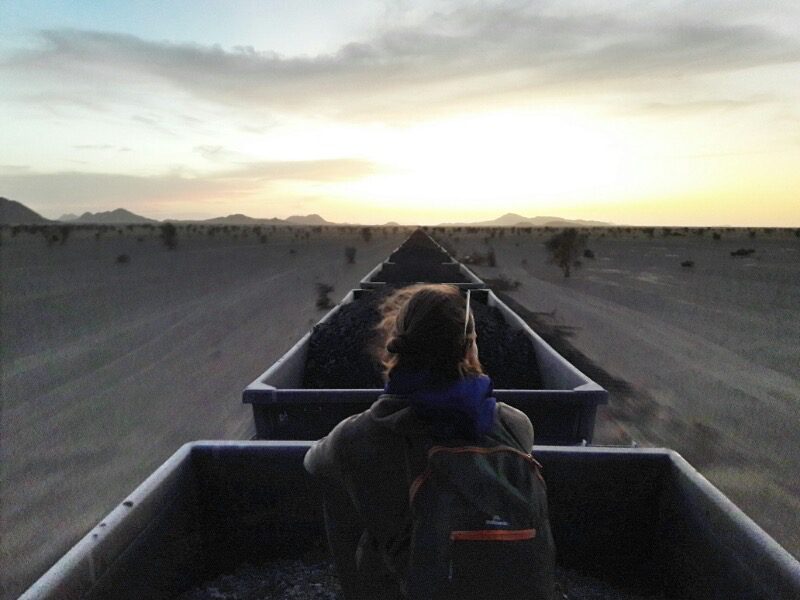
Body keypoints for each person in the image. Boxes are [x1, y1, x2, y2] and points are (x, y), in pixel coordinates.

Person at [304, 284, 555, 599]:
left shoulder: (359, 437)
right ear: (470, 350)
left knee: (336, 482)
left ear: (399, 348)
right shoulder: (515, 426)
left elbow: (312, 463)